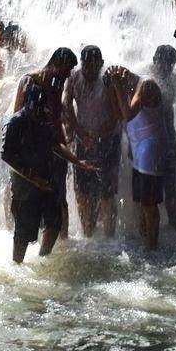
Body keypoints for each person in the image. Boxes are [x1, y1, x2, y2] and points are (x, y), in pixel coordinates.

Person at [1, 82, 96, 263]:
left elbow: (55, 144)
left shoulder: (44, 119)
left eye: (41, 106)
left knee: (55, 219)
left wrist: (77, 161)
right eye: (35, 107)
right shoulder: (15, 122)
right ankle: (17, 264)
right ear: (27, 104)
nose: (39, 111)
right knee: (23, 228)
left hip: (46, 178)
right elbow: (6, 156)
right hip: (25, 183)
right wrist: (31, 177)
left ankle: (43, 258)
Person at [12, 47, 76, 240]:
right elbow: (17, 113)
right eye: (68, 68)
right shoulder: (30, 80)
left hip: (56, 146)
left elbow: (60, 109)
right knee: (27, 195)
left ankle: (62, 243)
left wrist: (75, 129)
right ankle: (23, 237)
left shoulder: (58, 82)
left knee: (59, 196)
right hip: (32, 150)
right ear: (58, 63)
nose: (69, 73)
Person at [63, 46, 125, 238]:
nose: (90, 70)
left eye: (94, 66)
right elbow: (66, 104)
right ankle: (87, 233)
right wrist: (78, 132)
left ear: (100, 64)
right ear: (81, 64)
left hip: (108, 139)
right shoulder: (74, 77)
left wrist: (98, 136)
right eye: (86, 66)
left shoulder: (107, 80)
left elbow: (117, 116)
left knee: (107, 190)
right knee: (81, 189)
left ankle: (108, 237)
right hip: (83, 138)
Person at [113, 77, 171, 250]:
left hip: (150, 153)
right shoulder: (133, 89)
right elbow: (122, 116)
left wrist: (117, 85)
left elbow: (128, 115)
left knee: (149, 203)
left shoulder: (147, 85)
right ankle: (145, 241)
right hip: (140, 153)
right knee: (140, 200)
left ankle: (152, 246)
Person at [146, 45, 176, 228]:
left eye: (169, 65)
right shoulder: (144, 75)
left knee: (171, 186)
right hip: (147, 139)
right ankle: (147, 231)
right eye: (161, 63)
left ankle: (174, 228)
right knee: (148, 188)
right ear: (154, 60)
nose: (165, 68)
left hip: (168, 139)